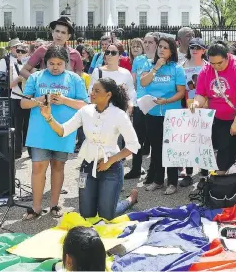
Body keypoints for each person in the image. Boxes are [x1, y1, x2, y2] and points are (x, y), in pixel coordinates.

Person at [40, 78, 140, 220]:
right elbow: (62, 131)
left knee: (106, 216)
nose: (92, 93)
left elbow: (133, 145)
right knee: (87, 215)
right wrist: (48, 117)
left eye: (97, 91)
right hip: (87, 166)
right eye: (92, 89)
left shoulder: (119, 115)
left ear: (108, 95)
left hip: (111, 168)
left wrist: (110, 161)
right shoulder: (85, 111)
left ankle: (129, 200)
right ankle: (106, 202)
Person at [21, 45, 88, 220]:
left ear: (66, 63)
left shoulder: (74, 79)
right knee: (38, 168)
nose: (55, 67)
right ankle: (36, 207)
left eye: (59, 63)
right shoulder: (36, 77)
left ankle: (54, 204)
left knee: (58, 167)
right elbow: (23, 104)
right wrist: (41, 100)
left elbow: (84, 105)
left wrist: (64, 100)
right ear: (45, 63)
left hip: (63, 131)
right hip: (39, 132)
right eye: (51, 63)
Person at [191, 41, 236, 179]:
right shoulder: (206, 69)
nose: (216, 67)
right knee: (223, 152)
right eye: (212, 63)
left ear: (227, 56)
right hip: (221, 119)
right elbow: (201, 94)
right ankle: (223, 186)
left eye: (219, 63)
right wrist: (196, 104)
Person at [140, 34, 186, 195]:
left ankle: (172, 182)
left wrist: (166, 101)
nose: (161, 50)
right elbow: (143, 83)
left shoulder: (177, 68)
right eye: (160, 46)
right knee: (156, 147)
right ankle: (158, 180)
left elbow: (181, 93)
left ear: (172, 51)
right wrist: (156, 67)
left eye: (166, 48)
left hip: (171, 113)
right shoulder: (148, 64)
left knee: (171, 148)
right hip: (152, 113)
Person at [124, 32, 158, 179]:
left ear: (156, 44)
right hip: (139, 103)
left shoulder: (160, 60)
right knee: (137, 138)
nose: (147, 44)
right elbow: (133, 82)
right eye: (146, 41)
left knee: (154, 139)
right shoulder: (138, 60)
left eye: (151, 42)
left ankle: (153, 171)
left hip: (155, 104)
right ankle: (136, 168)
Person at [178, 37, 209, 187]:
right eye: (192, 46)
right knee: (188, 140)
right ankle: (189, 173)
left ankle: (204, 174)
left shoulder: (209, 66)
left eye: (198, 47)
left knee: (204, 140)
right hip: (186, 107)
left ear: (204, 50)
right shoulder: (182, 66)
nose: (194, 49)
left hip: (205, 107)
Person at [8, 40, 31, 158]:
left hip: (28, 98)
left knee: (29, 125)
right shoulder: (13, 65)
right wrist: (20, 78)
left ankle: (31, 151)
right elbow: (10, 85)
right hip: (16, 98)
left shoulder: (31, 67)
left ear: (27, 53)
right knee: (17, 126)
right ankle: (18, 151)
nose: (20, 53)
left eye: (23, 51)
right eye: (18, 51)